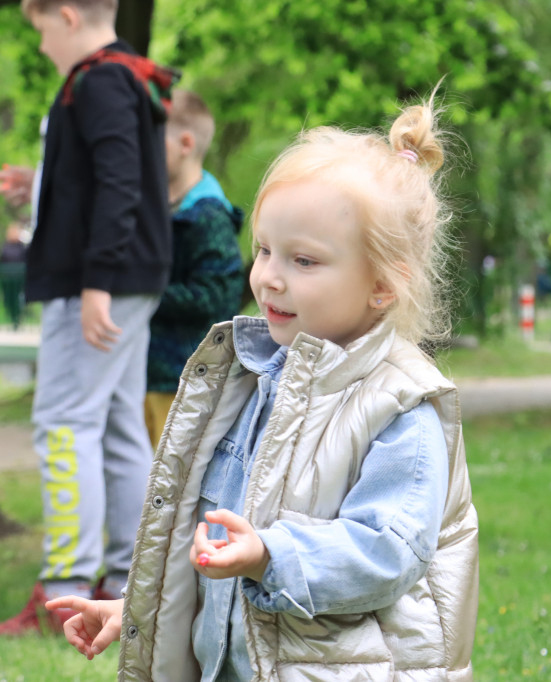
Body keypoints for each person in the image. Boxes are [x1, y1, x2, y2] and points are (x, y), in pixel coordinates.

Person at [47, 95, 479, 680]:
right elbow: (212, 539)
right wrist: (140, 609)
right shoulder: (250, 379)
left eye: (303, 261)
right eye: (265, 250)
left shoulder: (400, 407)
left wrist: (271, 555)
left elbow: (387, 553)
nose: (269, 277)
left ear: (382, 285)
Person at [0, 0, 178, 636]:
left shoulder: (96, 80)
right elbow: (104, 177)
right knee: (120, 423)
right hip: (132, 278)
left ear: (66, 16)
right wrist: (40, 182)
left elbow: (120, 182)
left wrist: (97, 279)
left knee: (65, 423)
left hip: (96, 285)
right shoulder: (128, 75)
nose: (41, 45)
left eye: (40, 28)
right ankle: (126, 584)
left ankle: (65, 594)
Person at [144, 90, 244, 449]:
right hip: (147, 377)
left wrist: (141, 292)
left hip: (182, 382)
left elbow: (215, 297)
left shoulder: (208, 215)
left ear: (185, 143)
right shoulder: (159, 206)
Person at [0, 222, 29, 328]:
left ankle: (16, 319)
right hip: (7, 279)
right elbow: (0, 260)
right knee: (8, 300)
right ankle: (11, 317)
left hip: (18, 279)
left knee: (17, 300)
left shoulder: (22, 247)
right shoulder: (4, 246)